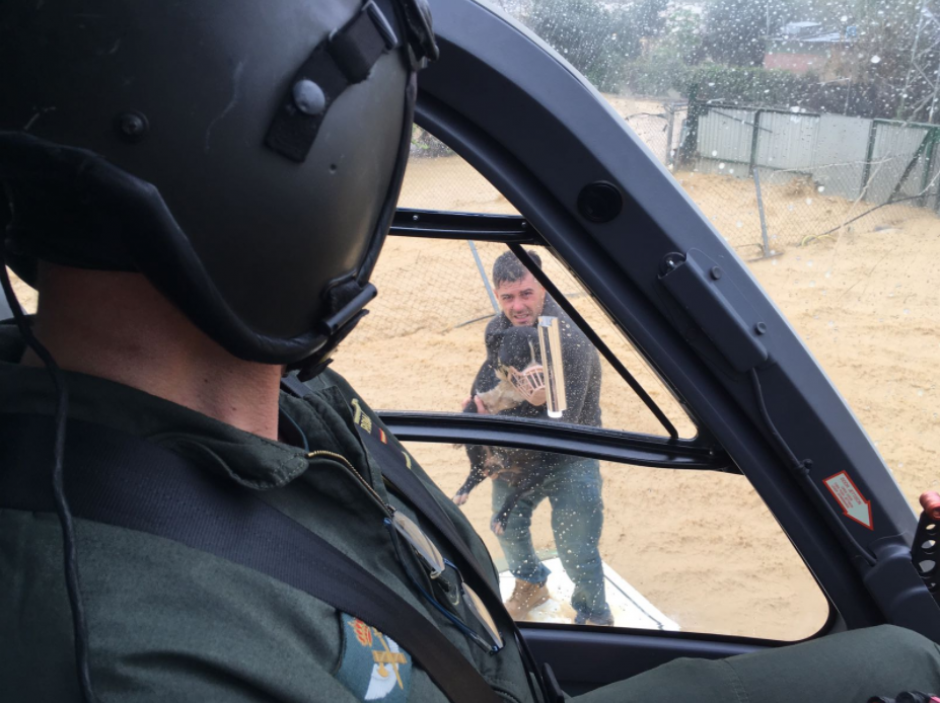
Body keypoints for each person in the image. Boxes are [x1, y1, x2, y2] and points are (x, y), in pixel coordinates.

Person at [1, 2, 939, 702]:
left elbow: (549, 410)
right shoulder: (120, 656)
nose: (518, 301)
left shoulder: (299, 398)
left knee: (908, 657)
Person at [468, 250, 612, 626]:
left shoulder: (570, 341)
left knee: (576, 547)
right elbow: (495, 380)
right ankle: (531, 584)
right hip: (520, 449)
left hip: (571, 452)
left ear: (544, 287)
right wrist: (482, 416)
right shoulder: (497, 330)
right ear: (497, 295)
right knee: (506, 528)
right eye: (508, 297)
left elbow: (562, 426)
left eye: (526, 294)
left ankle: (594, 615)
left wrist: (501, 448)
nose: (517, 306)